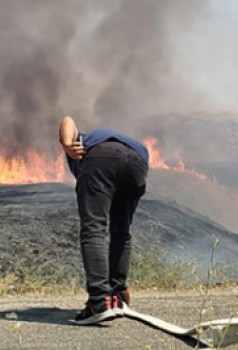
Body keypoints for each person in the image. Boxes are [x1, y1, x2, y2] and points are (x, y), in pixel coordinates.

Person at [60, 115, 149, 325]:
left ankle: (99, 302)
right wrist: (120, 289)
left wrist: (66, 145)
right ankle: (117, 298)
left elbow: (67, 120)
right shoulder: (125, 141)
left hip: (100, 158)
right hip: (138, 163)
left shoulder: (84, 142)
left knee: (93, 228)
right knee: (121, 231)